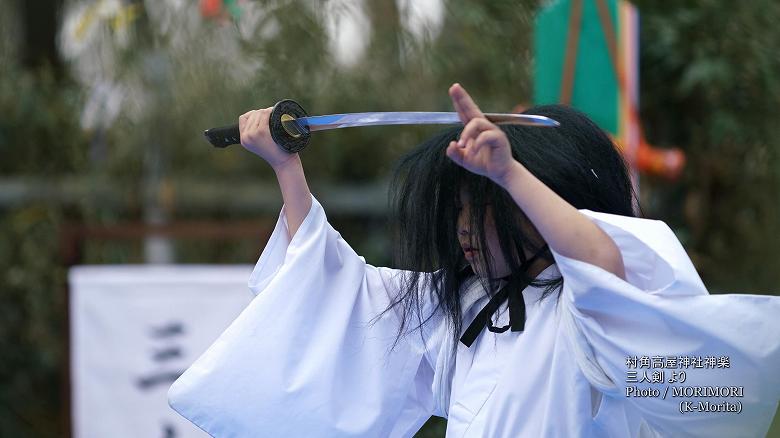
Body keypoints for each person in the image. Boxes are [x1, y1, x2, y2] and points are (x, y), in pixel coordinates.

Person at [168, 84, 780, 437]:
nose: (463, 230)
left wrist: (510, 173)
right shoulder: (470, 312)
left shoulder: (599, 312)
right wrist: (287, 169)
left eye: (481, 208)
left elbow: (599, 264)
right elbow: (338, 298)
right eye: (458, 210)